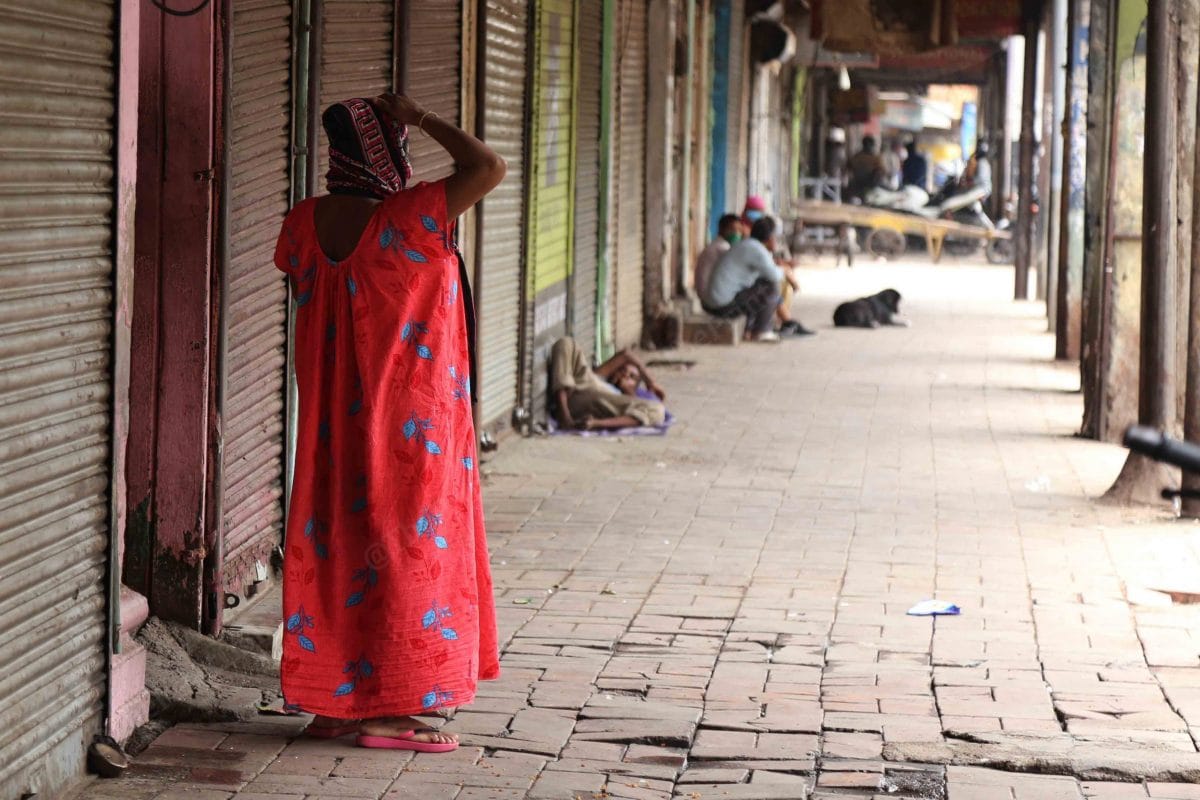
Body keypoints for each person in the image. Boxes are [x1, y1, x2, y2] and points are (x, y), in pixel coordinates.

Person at [272, 92, 506, 753]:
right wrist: (424, 117)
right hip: (411, 430)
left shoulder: (303, 223)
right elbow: (488, 165)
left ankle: (340, 702)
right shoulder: (411, 218)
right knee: (407, 558)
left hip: (329, 427)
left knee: (343, 550)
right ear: (389, 150)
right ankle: (390, 713)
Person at [703, 217, 795, 343]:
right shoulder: (756, 249)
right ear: (770, 237)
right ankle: (762, 331)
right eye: (775, 237)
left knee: (757, 287)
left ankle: (749, 330)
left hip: (713, 303)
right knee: (771, 286)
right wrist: (784, 269)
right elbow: (774, 275)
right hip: (721, 307)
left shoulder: (748, 245)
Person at [551, 338, 666, 431]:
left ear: (635, 387)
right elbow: (626, 354)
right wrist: (650, 382)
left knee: (658, 409)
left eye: (632, 377)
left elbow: (641, 412)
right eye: (624, 370)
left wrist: (595, 423)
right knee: (566, 343)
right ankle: (564, 415)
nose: (626, 374)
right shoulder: (600, 376)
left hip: (594, 408)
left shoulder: (628, 400)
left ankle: (593, 423)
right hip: (578, 387)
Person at [740, 197, 814, 337]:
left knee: (778, 279)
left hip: (748, 275)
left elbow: (766, 261)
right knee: (773, 285)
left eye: (759, 211)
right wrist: (786, 271)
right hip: (742, 283)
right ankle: (771, 326)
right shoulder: (745, 233)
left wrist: (785, 266)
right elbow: (770, 270)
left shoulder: (755, 238)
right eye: (753, 211)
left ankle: (785, 321)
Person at [693, 214, 742, 301]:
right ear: (722, 229)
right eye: (732, 229)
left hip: (706, 294)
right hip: (711, 296)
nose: (736, 233)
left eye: (738, 230)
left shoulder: (716, 244)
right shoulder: (722, 247)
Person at [847, 135, 884, 200]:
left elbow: (880, 171)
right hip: (862, 185)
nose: (869, 146)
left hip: (863, 185)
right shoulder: (873, 158)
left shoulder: (858, 156)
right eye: (868, 144)